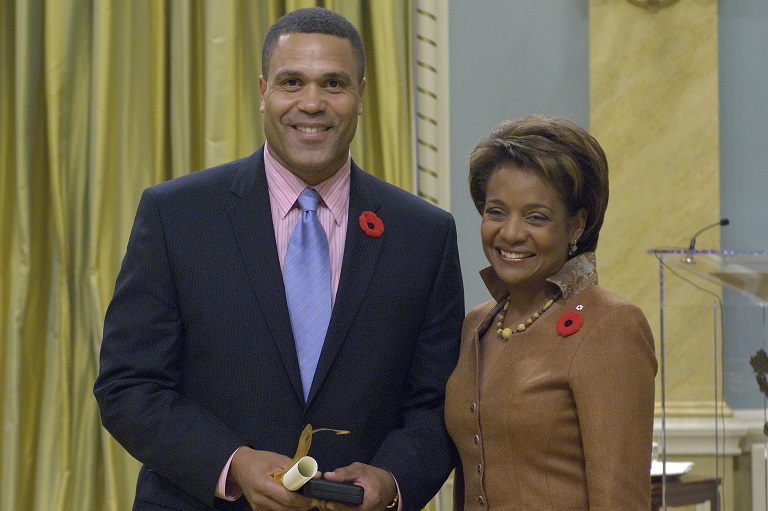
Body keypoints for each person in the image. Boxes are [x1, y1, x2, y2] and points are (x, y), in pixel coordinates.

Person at [94, 7, 464, 511]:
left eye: (333, 83)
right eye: (293, 82)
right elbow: (129, 385)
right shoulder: (176, 216)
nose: (312, 103)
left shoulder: (423, 234)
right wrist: (231, 463)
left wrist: (392, 481)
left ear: (361, 96)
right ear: (263, 90)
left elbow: (437, 403)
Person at [444, 115, 657, 510]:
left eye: (535, 216)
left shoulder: (611, 325)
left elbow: (621, 501)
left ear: (577, 224)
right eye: (495, 211)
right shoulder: (478, 323)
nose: (509, 233)